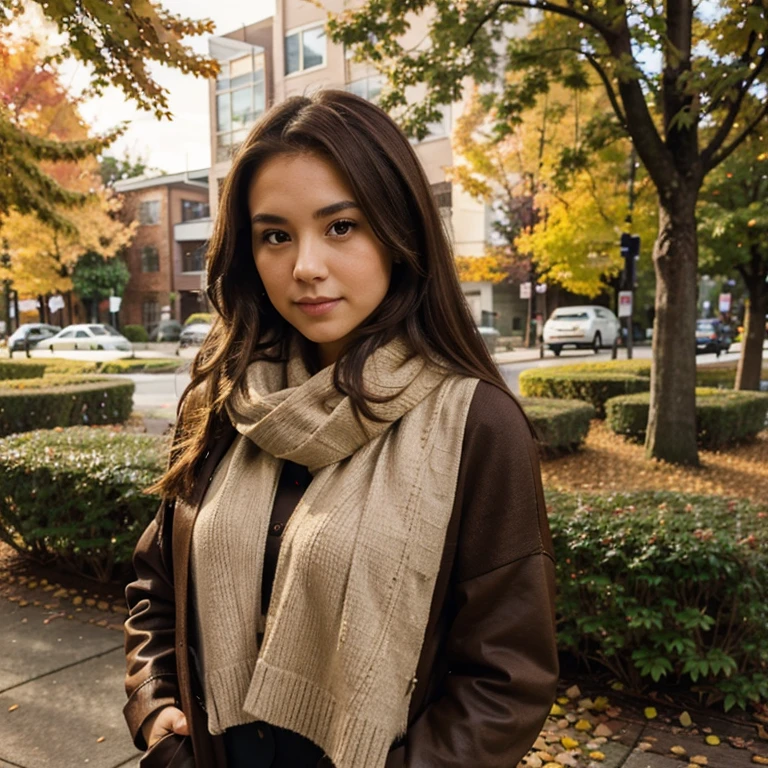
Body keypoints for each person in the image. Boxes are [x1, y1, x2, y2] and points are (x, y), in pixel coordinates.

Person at [123, 89, 558, 768]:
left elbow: (508, 680)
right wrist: (155, 713)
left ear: (399, 230)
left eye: (341, 226)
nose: (305, 266)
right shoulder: (222, 400)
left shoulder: (476, 425)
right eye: (275, 235)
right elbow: (158, 583)